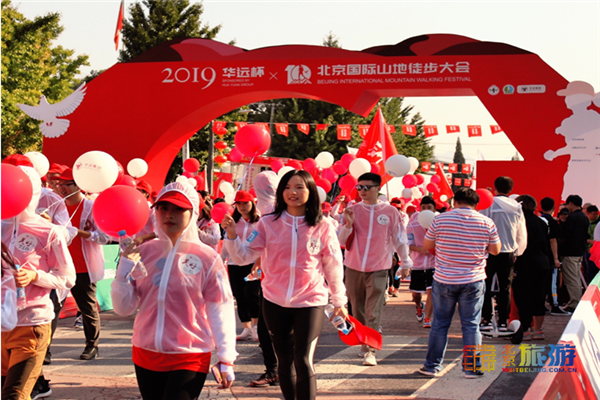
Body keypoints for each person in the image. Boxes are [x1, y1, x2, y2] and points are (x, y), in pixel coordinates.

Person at [222, 169, 347, 400]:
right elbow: (243, 257)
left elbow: (333, 265)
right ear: (281, 192)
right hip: (274, 301)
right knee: (284, 360)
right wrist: (231, 235)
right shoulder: (268, 223)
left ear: (310, 191)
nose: (293, 192)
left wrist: (339, 300)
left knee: (303, 360)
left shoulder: (323, 226)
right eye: (288, 187)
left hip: (310, 301)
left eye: (300, 187)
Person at [111, 182, 237, 400]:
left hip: (190, 355)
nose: (169, 214)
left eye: (179, 208)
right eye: (163, 208)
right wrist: (122, 272)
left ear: (193, 213)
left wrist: (226, 358)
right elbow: (124, 308)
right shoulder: (143, 252)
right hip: (146, 352)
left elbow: (220, 309)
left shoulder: (207, 258)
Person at [1, 165, 76, 399]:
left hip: (32, 323)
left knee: (15, 395)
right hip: (2, 324)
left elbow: (67, 278)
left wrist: (35, 276)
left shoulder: (48, 231)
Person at [419, 188, 500, 379]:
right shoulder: (486, 222)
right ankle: (471, 368)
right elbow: (496, 250)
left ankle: (431, 366)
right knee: (471, 325)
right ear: (476, 203)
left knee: (440, 324)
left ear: (455, 201)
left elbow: (427, 245)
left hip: (444, 278)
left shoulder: (439, 219)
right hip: (473, 279)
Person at [338, 172, 413, 366]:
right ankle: (364, 340)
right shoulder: (352, 210)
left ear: (378, 188)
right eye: (359, 187)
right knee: (356, 309)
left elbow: (399, 239)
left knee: (374, 309)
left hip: (379, 267)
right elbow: (340, 241)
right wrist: (348, 223)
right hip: (353, 266)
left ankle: (370, 350)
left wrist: (405, 262)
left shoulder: (390, 212)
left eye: (367, 187)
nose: (362, 191)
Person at [56, 168, 110, 360]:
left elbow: (104, 237)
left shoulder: (90, 208)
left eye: (66, 184)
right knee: (53, 308)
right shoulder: (56, 206)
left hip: (83, 266)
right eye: (59, 184)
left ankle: (92, 345)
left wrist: (79, 232)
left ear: (78, 185)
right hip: (59, 267)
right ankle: (44, 350)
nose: (62, 188)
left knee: (87, 308)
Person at [479, 176, 527, 331]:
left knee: (485, 285)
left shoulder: (489, 203)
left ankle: (486, 319)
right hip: (508, 252)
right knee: (505, 288)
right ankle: (503, 321)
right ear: (510, 190)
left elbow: (482, 226)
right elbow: (521, 232)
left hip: (489, 250)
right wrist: (518, 251)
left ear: (495, 187)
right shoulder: (516, 206)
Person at [221, 190, 261, 341]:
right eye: (239, 203)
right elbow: (226, 242)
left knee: (253, 294)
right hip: (234, 263)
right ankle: (246, 328)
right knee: (239, 295)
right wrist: (222, 258)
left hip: (253, 263)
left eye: (245, 203)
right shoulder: (232, 222)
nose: (242, 206)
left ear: (252, 203)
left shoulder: (259, 222)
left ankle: (256, 326)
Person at [512, 195, 551, 340]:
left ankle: (526, 329)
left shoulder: (518, 222)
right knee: (539, 297)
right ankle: (538, 330)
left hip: (524, 263)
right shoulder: (542, 222)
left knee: (523, 297)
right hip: (542, 263)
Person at [407, 196, 436, 328]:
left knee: (431, 291)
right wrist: (420, 249)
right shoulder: (412, 225)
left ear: (434, 209)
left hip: (434, 264)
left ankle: (428, 318)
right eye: (423, 207)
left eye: (429, 208)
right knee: (416, 294)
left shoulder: (439, 223)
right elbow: (408, 244)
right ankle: (419, 306)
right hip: (417, 264)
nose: (426, 210)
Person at [538, 198, 570, 316]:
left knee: (541, 282)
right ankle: (554, 305)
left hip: (540, 256)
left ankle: (541, 304)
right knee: (552, 283)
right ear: (554, 208)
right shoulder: (552, 222)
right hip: (550, 258)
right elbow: (553, 241)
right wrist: (556, 258)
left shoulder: (538, 221)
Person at [559, 194, 591, 312]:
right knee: (576, 278)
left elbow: (565, 234)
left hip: (570, 253)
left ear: (571, 203)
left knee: (571, 279)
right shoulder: (584, 217)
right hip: (579, 252)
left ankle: (574, 303)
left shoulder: (572, 218)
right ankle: (575, 301)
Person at [585, 205, 599, 283]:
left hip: (597, 251)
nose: (596, 216)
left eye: (596, 214)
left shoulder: (598, 222)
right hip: (589, 251)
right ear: (588, 214)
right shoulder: (585, 223)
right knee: (591, 271)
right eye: (594, 214)